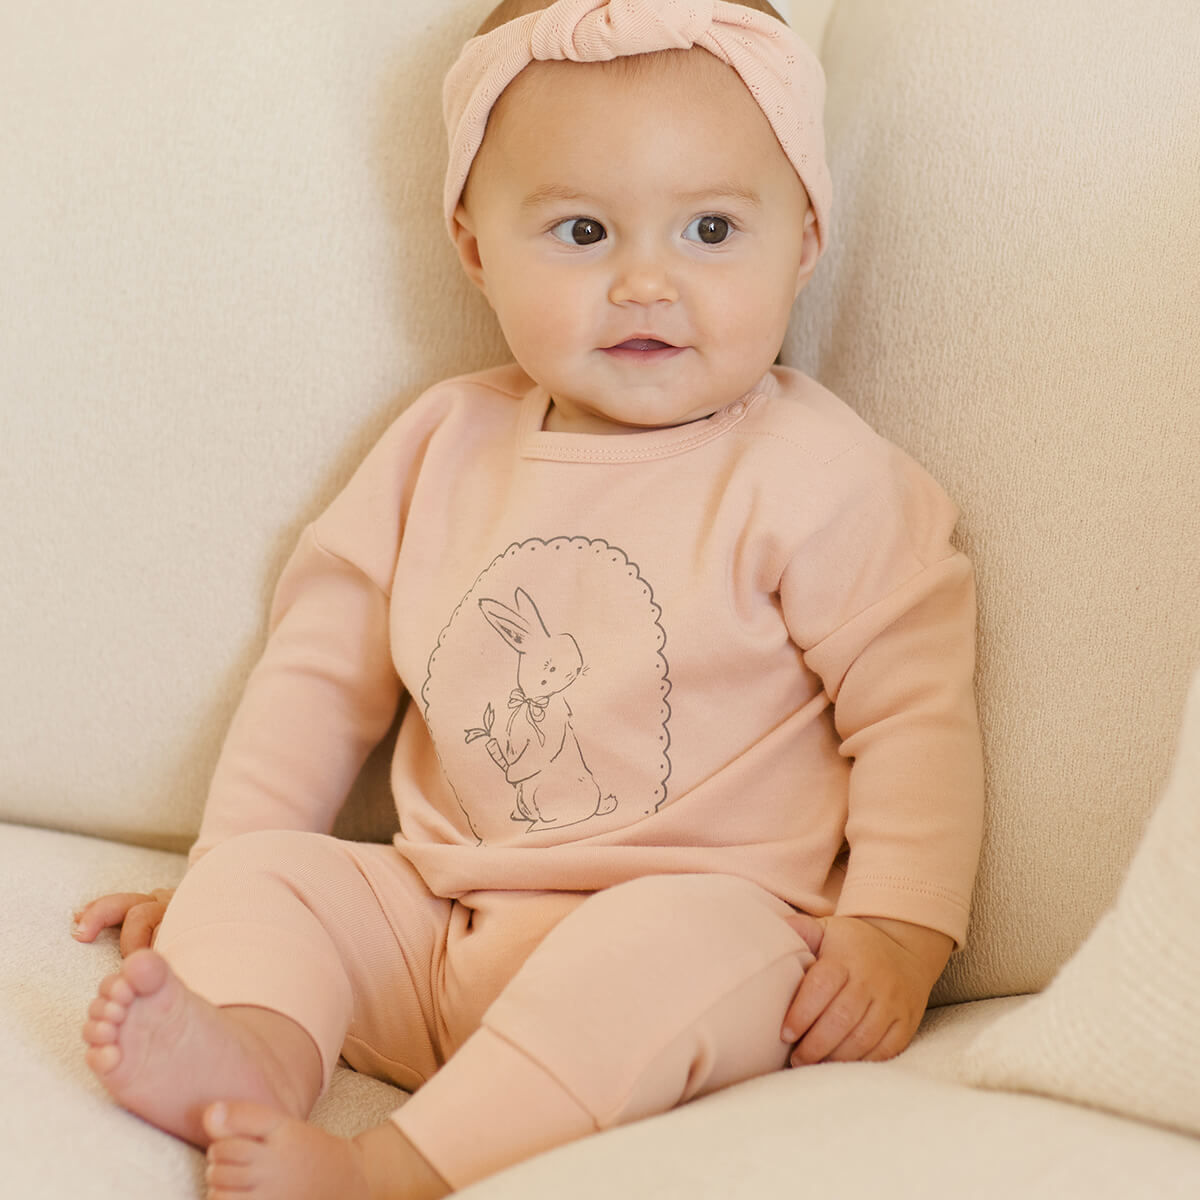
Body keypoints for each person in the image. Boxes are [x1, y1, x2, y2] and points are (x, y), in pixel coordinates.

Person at [74, 1, 984, 1197]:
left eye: (712, 228)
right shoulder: (441, 443)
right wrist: (218, 873)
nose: (647, 282)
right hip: (442, 922)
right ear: (474, 248)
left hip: (704, 939)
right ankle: (252, 1053)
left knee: (668, 946)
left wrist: (897, 931)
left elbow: (915, 714)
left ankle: (391, 1169)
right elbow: (318, 673)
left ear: (805, 240)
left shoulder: (822, 477)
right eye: (582, 230)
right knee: (264, 876)